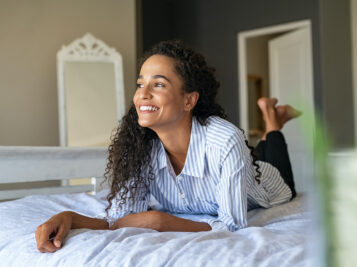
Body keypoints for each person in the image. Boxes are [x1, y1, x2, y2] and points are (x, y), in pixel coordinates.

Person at [35, 40, 301, 253]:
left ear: (189, 101)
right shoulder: (138, 147)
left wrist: (160, 221)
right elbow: (120, 219)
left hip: (266, 182)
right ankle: (272, 118)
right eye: (140, 84)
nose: (142, 93)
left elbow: (232, 225)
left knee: (276, 170)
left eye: (158, 84)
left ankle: (273, 122)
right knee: (257, 152)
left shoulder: (224, 138)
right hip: (243, 161)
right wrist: (68, 217)